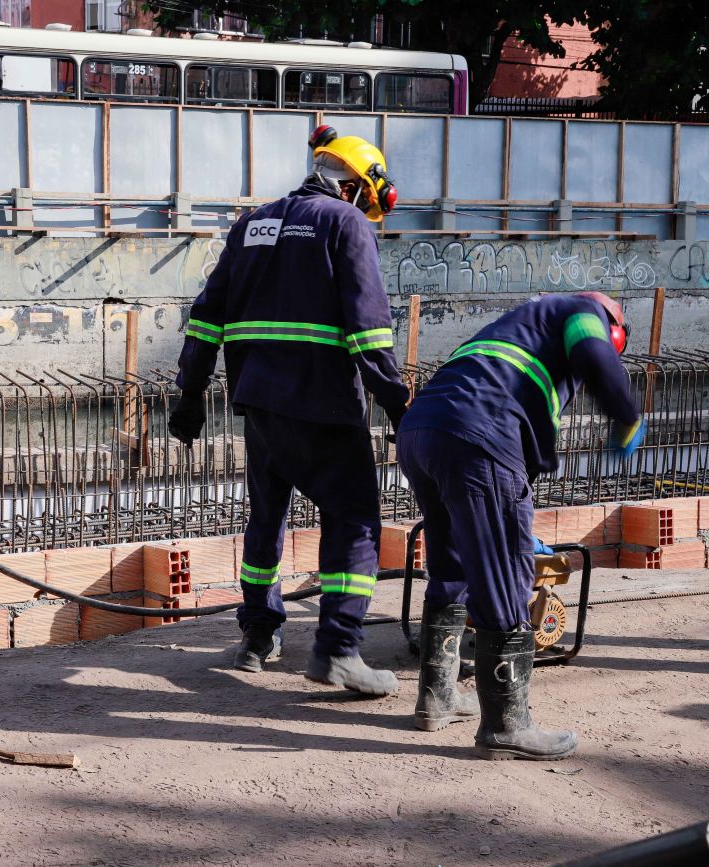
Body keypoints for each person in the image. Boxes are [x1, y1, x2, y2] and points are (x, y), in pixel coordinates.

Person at [168, 126, 410, 695]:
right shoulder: (346, 223)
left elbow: (207, 316)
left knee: (266, 518)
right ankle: (339, 649)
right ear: (357, 187)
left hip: (260, 405)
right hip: (325, 406)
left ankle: (257, 636)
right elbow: (370, 331)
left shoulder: (253, 223)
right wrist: (399, 405)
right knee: (354, 520)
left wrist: (191, 392)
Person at [397, 292, 644, 759]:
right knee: (505, 574)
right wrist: (626, 414)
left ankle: (437, 698)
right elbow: (594, 353)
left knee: (450, 563)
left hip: (421, 433)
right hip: (478, 436)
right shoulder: (583, 313)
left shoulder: (515, 327)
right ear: (614, 328)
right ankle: (506, 726)